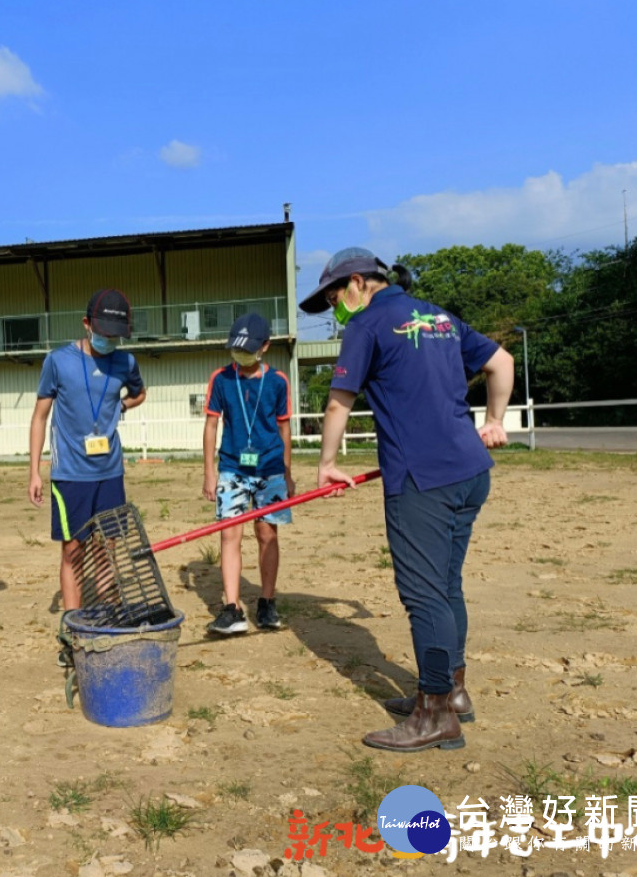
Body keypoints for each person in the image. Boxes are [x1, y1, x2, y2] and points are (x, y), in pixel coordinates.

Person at [301, 246, 514, 753]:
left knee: (424, 595)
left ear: (357, 282)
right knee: (445, 585)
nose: (335, 309)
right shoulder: (437, 316)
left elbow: (338, 401)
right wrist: (495, 421)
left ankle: (434, 713)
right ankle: (453, 691)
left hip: (422, 480)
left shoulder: (367, 324)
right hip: (469, 471)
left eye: (333, 297)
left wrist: (327, 464)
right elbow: (501, 362)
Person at [28, 290, 147, 661]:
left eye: (116, 335)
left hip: (110, 472)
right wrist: (34, 471)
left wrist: (119, 407)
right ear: (86, 325)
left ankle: (109, 622)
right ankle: (74, 632)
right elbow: (40, 416)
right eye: (103, 333)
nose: (109, 341)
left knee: (108, 551)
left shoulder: (125, 362)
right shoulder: (58, 361)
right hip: (70, 476)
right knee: (73, 551)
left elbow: (140, 394)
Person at [201, 312, 294, 635]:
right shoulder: (221, 379)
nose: (241, 355)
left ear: (265, 346)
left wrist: (287, 472)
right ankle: (232, 607)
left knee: (267, 534)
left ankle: (267, 602)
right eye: (236, 348)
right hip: (232, 467)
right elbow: (211, 425)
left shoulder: (279, 381)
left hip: (269, 468)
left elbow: (284, 428)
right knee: (230, 534)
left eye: (248, 348)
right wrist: (209, 472)